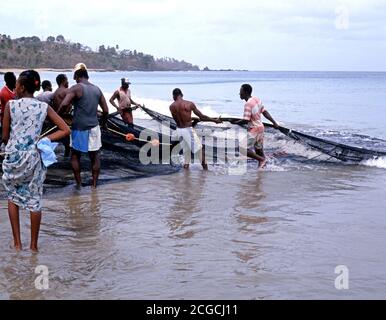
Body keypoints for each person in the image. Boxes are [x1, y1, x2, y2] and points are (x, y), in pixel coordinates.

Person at [2, 70, 70, 252]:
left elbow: (5, 135)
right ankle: (33, 246)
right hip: (34, 157)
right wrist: (44, 140)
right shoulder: (43, 107)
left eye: (16, 84)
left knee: (12, 196)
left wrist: (12, 144)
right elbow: (65, 129)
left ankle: (17, 244)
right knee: (35, 199)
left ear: (22, 87)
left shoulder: (11, 105)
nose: (14, 87)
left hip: (14, 157)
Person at [58, 63, 109, 189]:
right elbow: (106, 110)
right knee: (95, 156)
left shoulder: (76, 88)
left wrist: (57, 116)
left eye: (74, 75)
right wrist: (104, 124)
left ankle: (79, 185)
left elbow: (64, 104)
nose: (74, 78)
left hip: (79, 127)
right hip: (94, 127)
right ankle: (94, 186)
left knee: (75, 155)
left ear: (77, 75)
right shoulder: (97, 89)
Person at [169, 88, 221, 170]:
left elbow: (181, 118)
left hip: (179, 130)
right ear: (181, 95)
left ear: (174, 96)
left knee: (186, 152)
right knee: (200, 151)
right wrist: (214, 121)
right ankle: (206, 171)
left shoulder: (171, 106)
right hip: (188, 130)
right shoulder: (189, 104)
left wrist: (193, 118)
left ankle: (186, 170)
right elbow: (202, 117)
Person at [238, 83, 278, 168]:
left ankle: (262, 160)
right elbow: (265, 112)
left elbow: (246, 120)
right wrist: (274, 122)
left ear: (245, 92)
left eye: (240, 92)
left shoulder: (248, 104)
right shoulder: (257, 99)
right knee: (259, 152)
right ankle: (261, 174)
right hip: (261, 128)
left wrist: (235, 122)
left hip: (254, 129)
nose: (239, 94)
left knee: (242, 149)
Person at [52, 74, 71, 157]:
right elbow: (64, 105)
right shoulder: (66, 91)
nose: (68, 82)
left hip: (59, 117)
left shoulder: (56, 92)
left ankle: (67, 154)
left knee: (66, 140)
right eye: (67, 80)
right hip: (64, 117)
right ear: (63, 81)